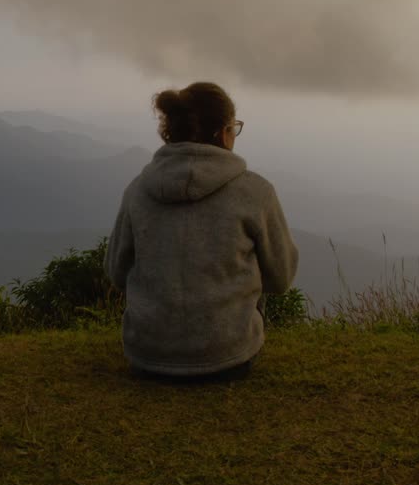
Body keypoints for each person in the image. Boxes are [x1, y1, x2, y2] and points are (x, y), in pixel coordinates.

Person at [105, 82, 299, 379]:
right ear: (223, 133)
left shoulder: (137, 191)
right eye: (234, 128)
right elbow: (280, 278)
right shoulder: (256, 192)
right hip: (230, 357)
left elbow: (116, 272)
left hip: (147, 356)